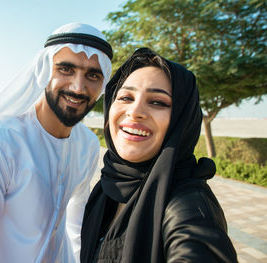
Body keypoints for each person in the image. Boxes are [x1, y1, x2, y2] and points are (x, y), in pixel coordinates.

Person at [0, 22, 112, 263]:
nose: (78, 87)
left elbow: (77, 225)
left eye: (93, 75)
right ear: (44, 70)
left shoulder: (87, 144)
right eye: (65, 69)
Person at [80, 48, 238, 262]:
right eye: (126, 97)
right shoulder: (108, 187)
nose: (135, 111)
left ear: (181, 120)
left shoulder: (190, 206)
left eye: (158, 102)